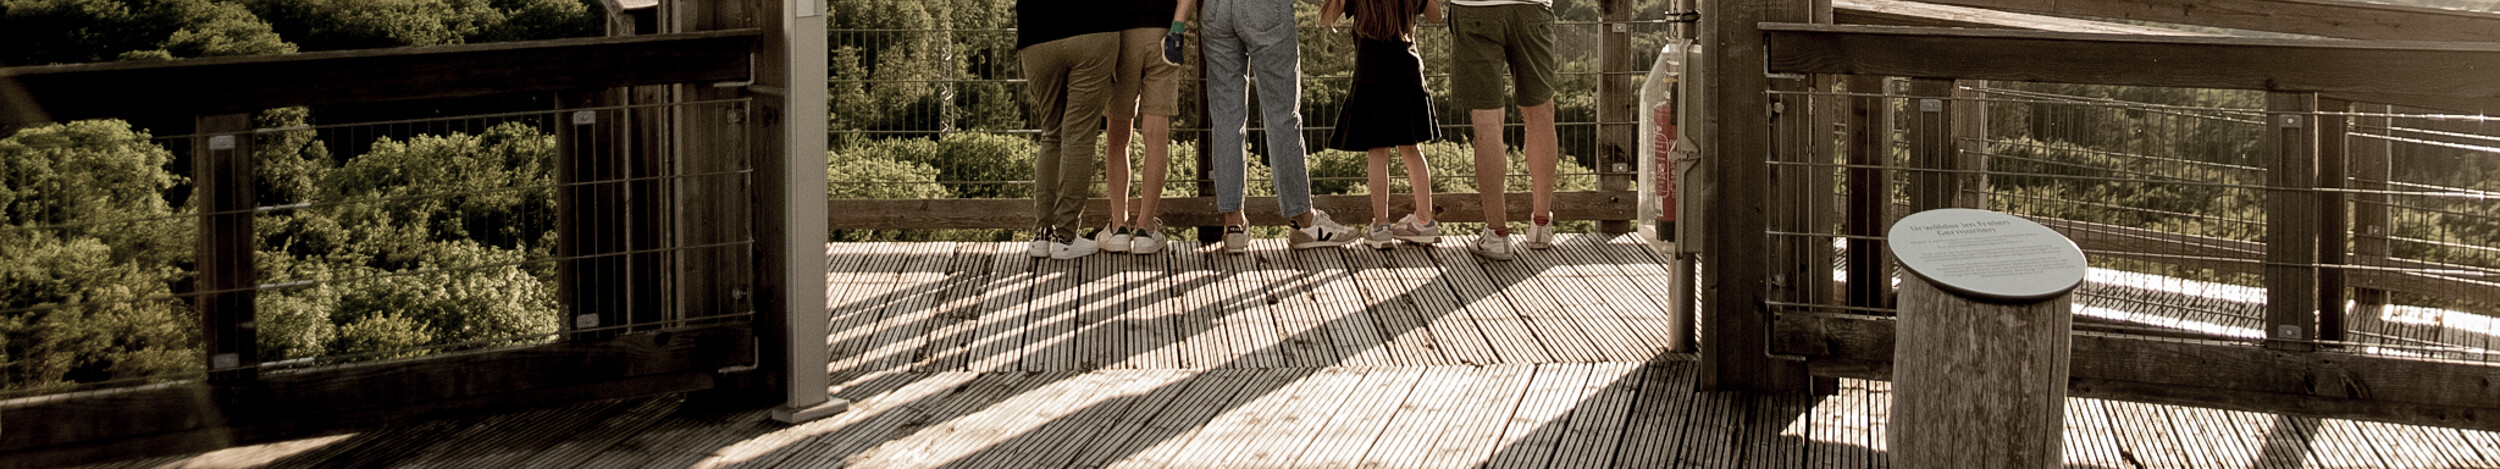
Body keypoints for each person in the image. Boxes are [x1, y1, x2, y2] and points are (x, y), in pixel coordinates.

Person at [1203, 0, 1357, 253]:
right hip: (1264, 9)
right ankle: (1303, 221)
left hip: (1215, 9)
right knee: (1282, 117)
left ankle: (1234, 225)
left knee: (1226, 120)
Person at [1321, 0, 1442, 250]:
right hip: (1408, 74)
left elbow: (1325, 18)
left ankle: (1381, 226)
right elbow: (1437, 16)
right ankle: (1425, 221)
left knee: (1378, 151)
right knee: (1411, 149)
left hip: (1371, 76)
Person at [1447, 0, 1560, 261]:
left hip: (1475, 7)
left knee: (1487, 120)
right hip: (1532, 7)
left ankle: (1497, 236)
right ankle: (1542, 225)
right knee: (1540, 112)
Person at [1017, 0, 1124, 259]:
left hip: (1037, 35)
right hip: (1093, 29)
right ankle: (1065, 236)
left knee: (1051, 133)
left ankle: (1042, 234)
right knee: (1078, 137)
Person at [1097, 0, 1197, 255]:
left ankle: (1119, 225)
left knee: (1117, 137)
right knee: (1156, 137)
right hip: (1163, 34)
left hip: (1121, 37)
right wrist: (1177, 26)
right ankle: (1145, 227)